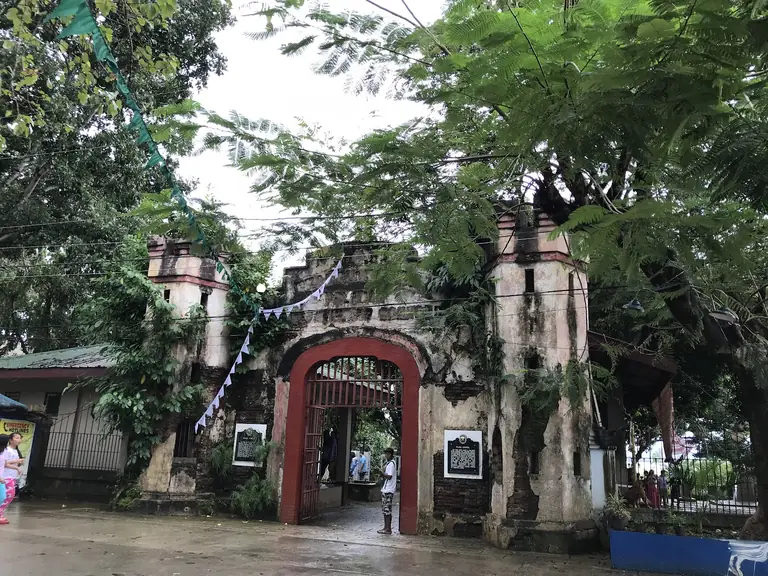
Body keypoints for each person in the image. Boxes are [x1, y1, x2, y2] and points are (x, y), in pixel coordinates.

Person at [0, 433, 24, 525]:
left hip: (9, 477)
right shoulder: (6, 450)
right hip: (5, 477)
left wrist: (17, 467)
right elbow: (6, 463)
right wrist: (17, 462)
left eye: (20, 438)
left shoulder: (13, 451)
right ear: (10, 440)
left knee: (5, 496)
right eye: (17, 438)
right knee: (7, 496)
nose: (19, 440)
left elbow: (6, 463)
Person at [378, 448, 396, 535]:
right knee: (385, 509)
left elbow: (389, 476)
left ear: (391, 454)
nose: (386, 456)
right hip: (386, 488)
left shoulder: (391, 464)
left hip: (389, 489)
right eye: (386, 454)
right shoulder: (388, 463)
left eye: (388, 454)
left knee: (387, 509)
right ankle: (386, 527)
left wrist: (382, 473)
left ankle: (388, 528)